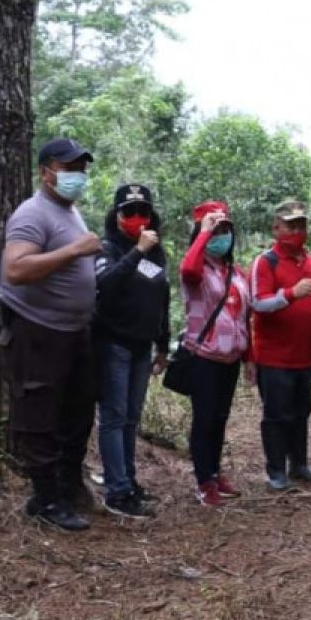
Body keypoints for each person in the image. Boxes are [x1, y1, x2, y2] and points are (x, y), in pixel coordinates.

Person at [0, 139, 101, 530]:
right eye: (68, 167)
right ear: (45, 171)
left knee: (76, 412)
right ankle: (44, 500)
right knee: (38, 414)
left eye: (81, 167)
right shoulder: (31, 213)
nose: (77, 174)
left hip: (73, 331)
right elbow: (17, 270)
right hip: (37, 330)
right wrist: (75, 251)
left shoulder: (70, 211)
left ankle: (66, 487)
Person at [93, 183, 170, 519]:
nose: (138, 218)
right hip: (113, 344)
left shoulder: (157, 252)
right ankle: (117, 491)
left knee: (130, 419)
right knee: (113, 417)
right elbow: (105, 284)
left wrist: (163, 345)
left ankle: (128, 482)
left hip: (142, 346)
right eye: (130, 212)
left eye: (144, 212)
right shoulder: (106, 248)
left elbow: (161, 299)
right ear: (118, 215)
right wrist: (136, 250)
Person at [249, 200, 311, 492]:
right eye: (291, 225)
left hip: (305, 354)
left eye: (301, 225)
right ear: (276, 227)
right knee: (276, 414)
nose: (297, 230)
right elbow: (258, 302)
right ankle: (275, 471)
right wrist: (290, 294)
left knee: (301, 411)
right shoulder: (266, 262)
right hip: (274, 356)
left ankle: (299, 465)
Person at [180, 201, 253, 507]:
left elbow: (244, 317)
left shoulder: (235, 272)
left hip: (231, 358)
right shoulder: (195, 268)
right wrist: (203, 233)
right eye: (215, 230)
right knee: (205, 419)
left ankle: (215, 471)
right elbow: (187, 269)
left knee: (220, 419)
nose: (221, 236)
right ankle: (204, 481)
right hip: (205, 357)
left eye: (226, 230)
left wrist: (250, 358)